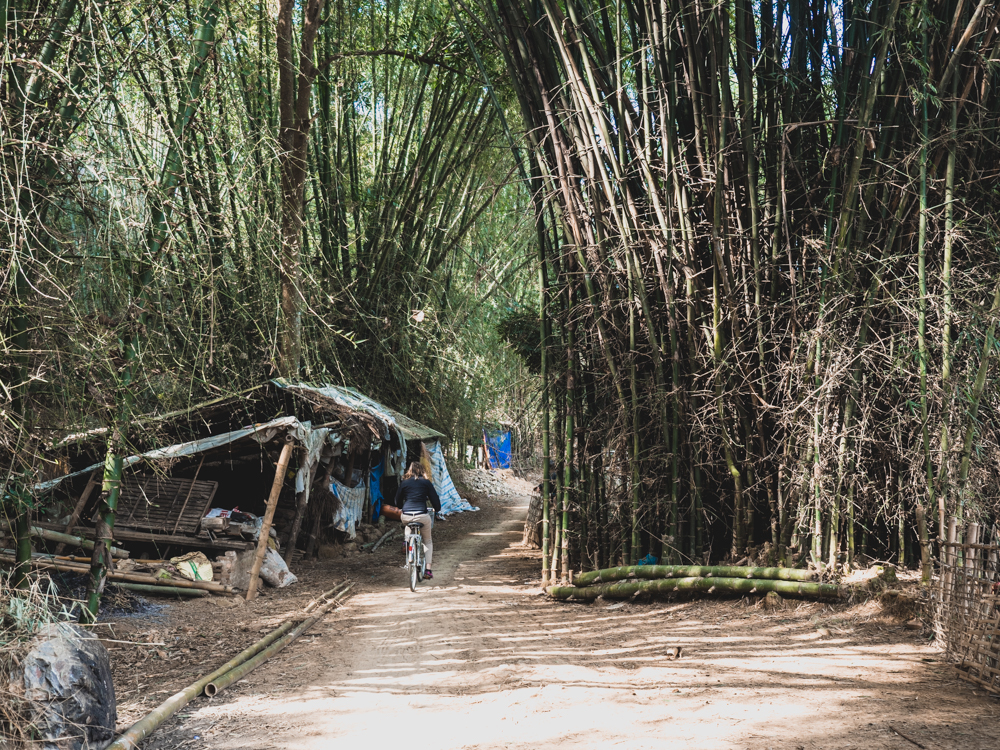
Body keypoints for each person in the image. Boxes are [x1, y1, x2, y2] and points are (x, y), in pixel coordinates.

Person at [394, 461, 440, 579]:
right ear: (422, 471)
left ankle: (406, 541)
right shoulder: (426, 483)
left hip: (407, 515)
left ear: (410, 470)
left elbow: (397, 500)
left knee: (407, 524)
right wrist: (437, 509)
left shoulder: (404, 483)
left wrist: (400, 507)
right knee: (427, 541)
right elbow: (435, 500)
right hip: (422, 515)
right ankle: (428, 570)